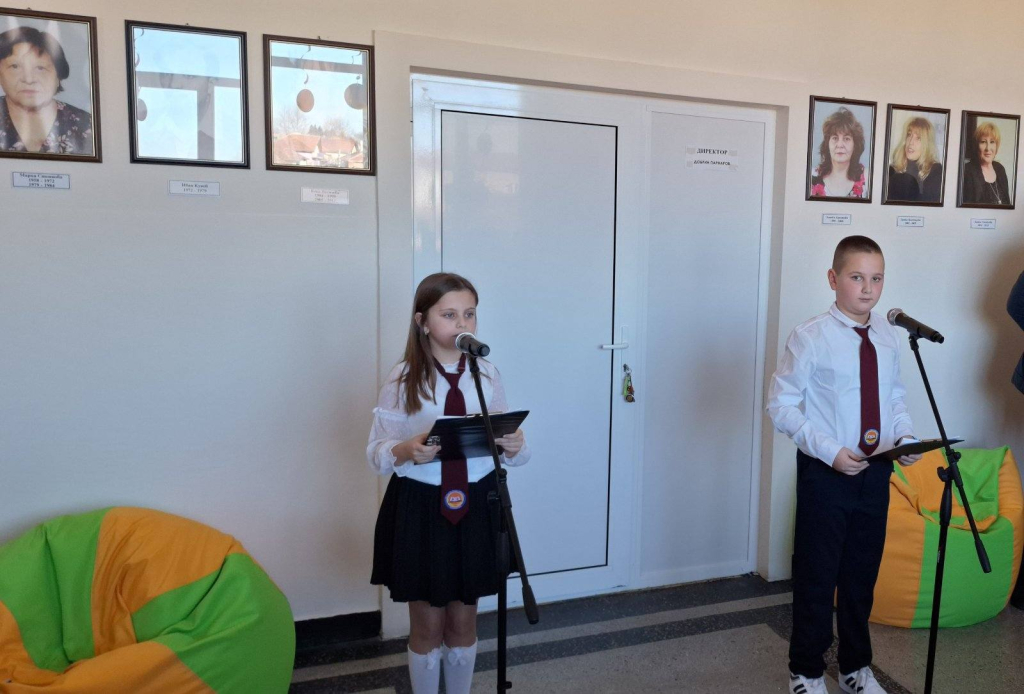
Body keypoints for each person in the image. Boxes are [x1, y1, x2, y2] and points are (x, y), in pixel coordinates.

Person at [767, 236, 922, 694]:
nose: (868, 288)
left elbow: (893, 398)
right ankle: (805, 671)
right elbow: (781, 405)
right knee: (818, 576)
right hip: (827, 473)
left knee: (861, 575)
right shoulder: (811, 336)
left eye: (877, 278)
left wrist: (904, 437)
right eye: (857, 277)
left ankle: (855, 668)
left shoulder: (888, 336)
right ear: (833, 279)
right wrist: (829, 450)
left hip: (876, 471)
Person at [368, 272, 530, 694]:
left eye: (469, 314)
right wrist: (406, 449)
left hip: (477, 501)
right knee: (427, 623)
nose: (462, 324)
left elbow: (507, 441)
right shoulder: (403, 377)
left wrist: (515, 445)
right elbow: (377, 452)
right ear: (422, 321)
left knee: (463, 619)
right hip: (422, 505)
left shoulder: (486, 373)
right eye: (449, 314)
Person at [0, 26, 93, 155]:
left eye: (40, 68)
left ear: (58, 76)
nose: (29, 79)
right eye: (15, 66)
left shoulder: (87, 124)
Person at [810, 108, 869, 199]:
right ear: (827, 143)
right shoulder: (811, 176)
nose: (840, 145)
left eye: (846, 139)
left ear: (855, 145)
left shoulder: (867, 177)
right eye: (835, 138)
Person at [887, 116, 943, 203]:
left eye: (918, 138)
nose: (911, 142)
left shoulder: (935, 170)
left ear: (927, 144)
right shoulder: (893, 169)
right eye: (909, 135)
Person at [960, 121, 1011, 205]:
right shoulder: (967, 171)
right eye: (983, 142)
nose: (988, 148)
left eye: (992, 142)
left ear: (996, 146)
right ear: (976, 145)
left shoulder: (1000, 169)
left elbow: (1008, 204)